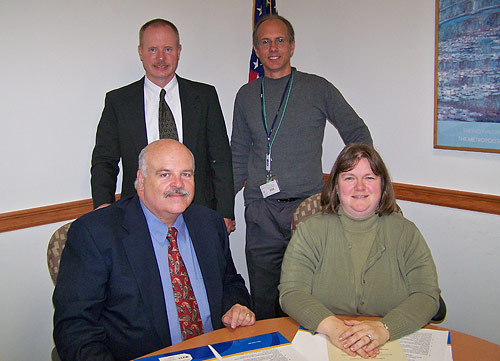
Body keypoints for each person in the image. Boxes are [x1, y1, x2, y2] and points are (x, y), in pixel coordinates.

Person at [54, 139, 254, 361]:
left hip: (216, 353)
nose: (178, 184)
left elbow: (231, 282)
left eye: (186, 174)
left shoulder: (209, 223)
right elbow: (75, 330)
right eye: (165, 174)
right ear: (141, 181)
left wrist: (236, 305)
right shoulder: (96, 234)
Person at [231, 14, 373, 319]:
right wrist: (223, 209)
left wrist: (345, 184)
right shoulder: (245, 96)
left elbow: (358, 133)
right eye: (265, 42)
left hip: (310, 209)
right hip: (261, 211)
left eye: (280, 40)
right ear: (256, 49)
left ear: (292, 46)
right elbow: (238, 155)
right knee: (265, 299)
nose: (273, 48)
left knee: (311, 296)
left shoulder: (317, 88)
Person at [279, 143, 440, 358]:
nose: (360, 186)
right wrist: (335, 329)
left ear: (383, 185)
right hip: (325, 339)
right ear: (336, 186)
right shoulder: (311, 230)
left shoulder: (406, 233)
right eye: (349, 178)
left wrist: (384, 329)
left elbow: (427, 295)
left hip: (390, 342)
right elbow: (291, 293)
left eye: (370, 177)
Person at [91, 18, 235, 233]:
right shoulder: (118, 101)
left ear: (179, 51)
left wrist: (224, 210)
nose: (160, 57)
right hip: (140, 215)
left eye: (168, 49)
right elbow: (104, 161)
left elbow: (221, 158)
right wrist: (104, 208)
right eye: (152, 49)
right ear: (140, 52)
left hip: (199, 212)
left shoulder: (204, 97)